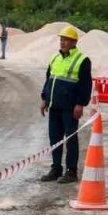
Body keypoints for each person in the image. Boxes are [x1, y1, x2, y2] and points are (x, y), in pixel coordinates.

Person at [39, 25, 92, 184]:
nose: (62, 42)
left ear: (74, 42)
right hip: (54, 105)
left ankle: (71, 171)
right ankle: (56, 168)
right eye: (61, 39)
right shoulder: (55, 57)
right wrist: (44, 99)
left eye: (66, 40)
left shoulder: (82, 60)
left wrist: (80, 104)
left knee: (70, 139)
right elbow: (49, 80)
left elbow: (85, 84)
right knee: (55, 138)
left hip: (70, 107)